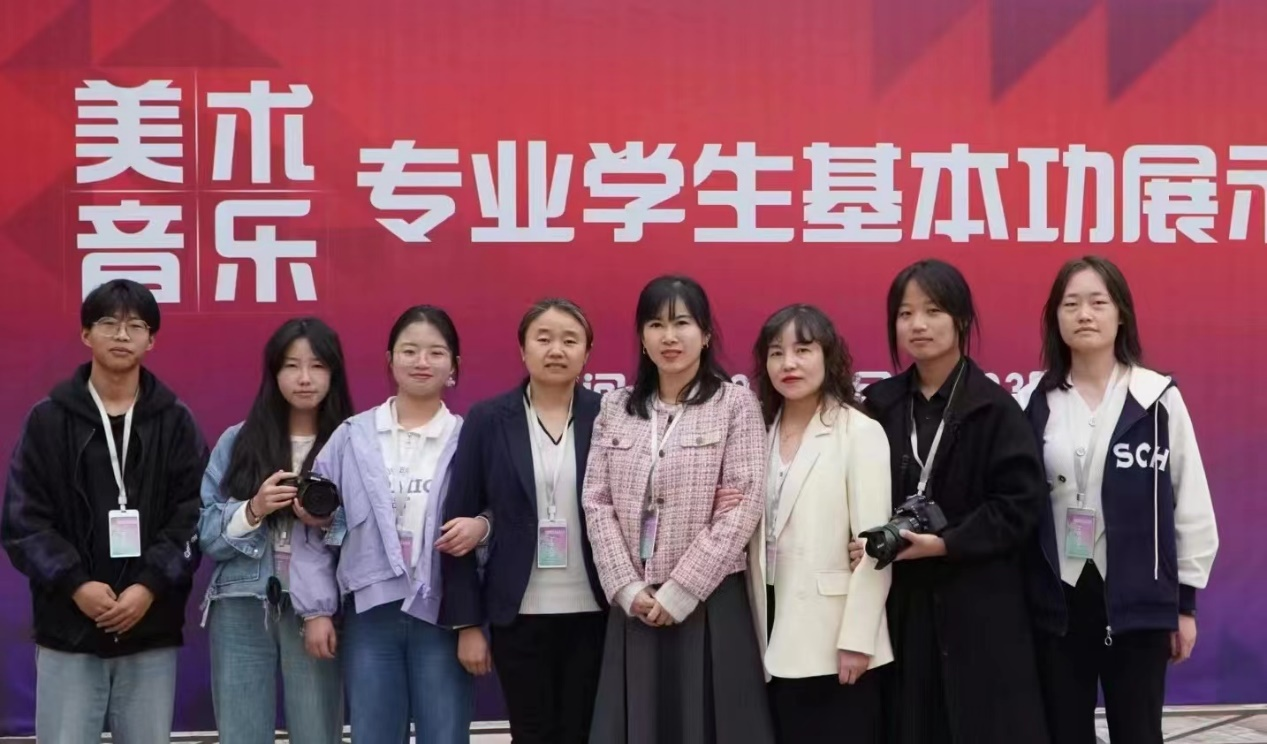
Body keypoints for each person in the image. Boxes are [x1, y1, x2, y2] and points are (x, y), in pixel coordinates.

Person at [848, 259, 1050, 744]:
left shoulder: (995, 409)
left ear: (961, 319)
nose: (917, 324)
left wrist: (945, 544)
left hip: (979, 605)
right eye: (905, 314)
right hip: (900, 602)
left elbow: (1019, 506)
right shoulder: (878, 406)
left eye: (933, 311)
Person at [1021, 256, 1218, 744]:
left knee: (1139, 732)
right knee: (1062, 732)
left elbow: (1189, 501)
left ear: (1121, 314)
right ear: (1055, 318)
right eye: (1071, 304)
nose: (1084, 314)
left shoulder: (1157, 398)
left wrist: (1184, 606)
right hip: (1058, 603)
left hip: (1138, 604)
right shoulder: (1035, 401)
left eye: (1098, 302)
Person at [1, 279, 207, 744]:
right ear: (85, 334)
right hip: (68, 627)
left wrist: (148, 586)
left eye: (136, 326)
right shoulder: (48, 420)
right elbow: (23, 521)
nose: (121, 335)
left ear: (151, 340)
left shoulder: (176, 422)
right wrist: (76, 584)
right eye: (109, 323)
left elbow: (194, 515)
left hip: (149, 626)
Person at [582, 275, 775, 744]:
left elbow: (743, 503)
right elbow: (597, 501)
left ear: (705, 334)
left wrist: (682, 589)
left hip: (709, 602)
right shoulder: (616, 407)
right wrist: (626, 587)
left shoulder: (734, 404)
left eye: (682, 323)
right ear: (642, 338)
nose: (669, 337)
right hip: (636, 606)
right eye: (656, 325)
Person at [289, 305, 482, 744]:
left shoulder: (470, 438)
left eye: (436, 352)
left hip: (443, 616)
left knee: (446, 735)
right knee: (374, 734)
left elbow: (494, 520)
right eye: (409, 350)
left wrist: (473, 620)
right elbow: (316, 527)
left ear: (454, 366)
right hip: (371, 616)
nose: (421, 361)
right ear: (389, 360)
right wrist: (316, 609)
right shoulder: (352, 436)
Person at [440, 298, 609, 744]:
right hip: (518, 614)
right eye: (544, 338)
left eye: (570, 340)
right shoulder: (488, 419)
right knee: (531, 734)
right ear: (522, 349)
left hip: (597, 612)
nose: (556, 350)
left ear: (587, 353)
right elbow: (457, 523)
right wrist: (467, 624)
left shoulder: (609, 416)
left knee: (585, 734)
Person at [198, 317, 353, 743]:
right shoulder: (238, 441)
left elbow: (371, 534)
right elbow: (206, 534)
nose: (304, 378)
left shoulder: (352, 443)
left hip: (318, 609)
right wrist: (253, 509)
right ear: (273, 372)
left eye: (317, 366)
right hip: (243, 600)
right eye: (291, 365)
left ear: (334, 373)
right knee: (241, 731)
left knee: (318, 730)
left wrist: (328, 521)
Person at [746, 304, 893, 744]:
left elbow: (876, 549)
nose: (788, 363)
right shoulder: (757, 431)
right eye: (776, 353)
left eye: (803, 350)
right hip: (768, 627)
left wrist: (858, 639)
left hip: (834, 640)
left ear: (829, 356)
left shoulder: (858, 431)